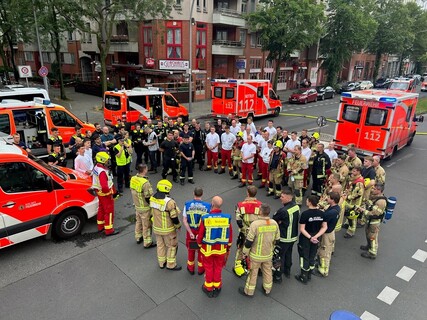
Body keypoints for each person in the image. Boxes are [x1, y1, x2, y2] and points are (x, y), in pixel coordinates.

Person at [239, 203, 280, 297]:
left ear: (260, 211)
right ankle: (267, 289)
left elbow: (249, 242)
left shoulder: (255, 224)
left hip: (255, 255)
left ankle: (249, 292)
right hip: (268, 254)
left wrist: (244, 253)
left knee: (253, 273)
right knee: (268, 271)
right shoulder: (274, 223)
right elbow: (277, 240)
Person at [197, 196, 232, 298]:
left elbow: (200, 234)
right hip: (221, 249)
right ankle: (217, 286)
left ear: (212, 204)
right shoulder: (226, 218)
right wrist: (228, 247)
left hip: (207, 250)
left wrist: (199, 245)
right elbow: (230, 234)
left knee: (208, 268)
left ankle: (208, 288)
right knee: (218, 268)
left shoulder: (205, 218)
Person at [150, 179, 182, 270]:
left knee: (160, 245)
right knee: (172, 246)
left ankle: (162, 262)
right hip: (168, 229)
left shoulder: (153, 198)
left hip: (156, 228)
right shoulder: (169, 202)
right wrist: (178, 226)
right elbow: (174, 217)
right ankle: (171, 264)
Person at [295, 195, 327, 284]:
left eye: (307, 200)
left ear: (309, 202)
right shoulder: (322, 213)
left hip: (306, 238)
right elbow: (324, 227)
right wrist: (316, 236)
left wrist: (310, 237)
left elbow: (302, 229)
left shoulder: (305, 214)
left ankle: (303, 276)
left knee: (304, 256)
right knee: (312, 255)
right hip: (316, 237)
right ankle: (309, 274)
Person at [234, 186, 262, 277]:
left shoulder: (240, 205)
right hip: (256, 232)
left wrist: (243, 229)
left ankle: (239, 268)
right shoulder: (260, 205)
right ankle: (256, 268)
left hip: (245, 231)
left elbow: (238, 220)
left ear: (247, 193)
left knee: (241, 248)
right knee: (255, 249)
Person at [273, 187, 300, 282]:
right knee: (289, 254)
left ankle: (278, 276)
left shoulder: (283, 211)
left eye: (283, 197)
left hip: (284, 237)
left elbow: (274, 219)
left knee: (279, 257)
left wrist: (280, 222)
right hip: (293, 237)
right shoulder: (296, 207)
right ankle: (287, 272)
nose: (281, 198)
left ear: (289, 198)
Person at [182, 187, 211, 275]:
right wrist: (200, 234)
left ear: (193, 193)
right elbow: (208, 222)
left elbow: (184, 220)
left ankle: (190, 268)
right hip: (201, 232)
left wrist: (190, 232)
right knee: (201, 251)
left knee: (191, 250)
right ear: (202, 194)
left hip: (191, 230)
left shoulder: (187, 204)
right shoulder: (208, 206)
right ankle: (200, 269)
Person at [92, 151, 120, 236]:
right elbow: (104, 186)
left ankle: (101, 226)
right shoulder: (102, 172)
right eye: (107, 160)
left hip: (99, 193)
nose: (108, 162)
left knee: (101, 209)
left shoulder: (96, 167)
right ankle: (109, 230)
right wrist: (111, 192)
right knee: (109, 211)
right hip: (105, 194)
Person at [358, 183, 387, 259]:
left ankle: (372, 253)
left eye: (374, 189)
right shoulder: (375, 197)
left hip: (374, 222)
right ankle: (369, 246)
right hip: (370, 220)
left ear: (379, 190)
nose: (372, 190)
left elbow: (376, 214)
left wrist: (364, 211)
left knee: (372, 237)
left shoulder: (381, 202)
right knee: (368, 234)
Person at [315, 192, 340, 277]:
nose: (327, 199)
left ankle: (323, 270)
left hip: (327, 234)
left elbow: (323, 217)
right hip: (329, 232)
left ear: (333, 200)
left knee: (324, 252)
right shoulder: (335, 208)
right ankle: (320, 265)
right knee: (323, 250)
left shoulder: (332, 212)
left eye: (328, 198)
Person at [130, 164, 156, 247]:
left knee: (138, 221)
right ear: (144, 170)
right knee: (147, 225)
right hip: (145, 207)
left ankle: (138, 237)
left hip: (137, 205)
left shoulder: (133, 178)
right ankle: (147, 242)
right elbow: (148, 197)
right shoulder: (145, 183)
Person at [343, 166, 365, 238]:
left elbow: (359, 194)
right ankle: (347, 223)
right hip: (351, 200)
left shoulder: (359, 182)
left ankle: (351, 231)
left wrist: (349, 197)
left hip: (355, 202)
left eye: (354, 171)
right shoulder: (355, 179)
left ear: (358, 172)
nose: (352, 172)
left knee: (353, 216)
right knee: (348, 213)